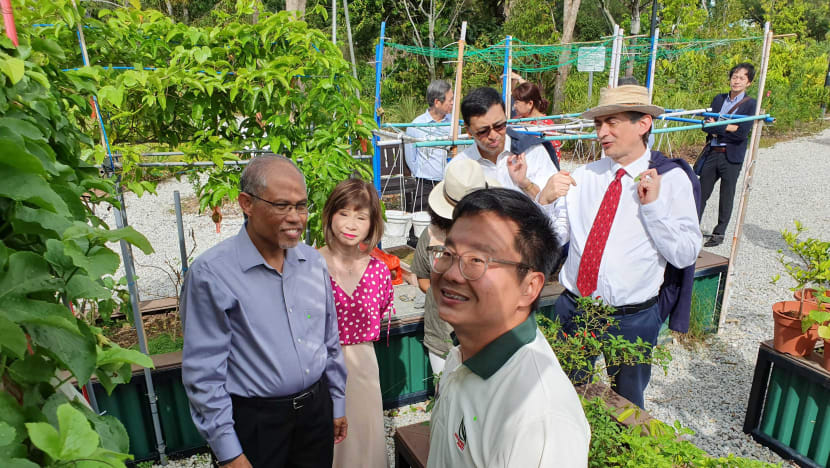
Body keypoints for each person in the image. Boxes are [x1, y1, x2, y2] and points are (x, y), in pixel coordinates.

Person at [540, 85, 702, 409]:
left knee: (627, 407)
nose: (602, 132)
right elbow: (556, 237)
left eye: (611, 122)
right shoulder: (585, 176)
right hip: (574, 308)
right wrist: (542, 202)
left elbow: (684, 254)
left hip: (631, 318)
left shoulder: (669, 181)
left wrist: (653, 208)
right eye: (598, 124)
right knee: (561, 394)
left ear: (643, 124)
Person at [181, 155, 348, 468]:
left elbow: (329, 340)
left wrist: (336, 401)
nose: (296, 217)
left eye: (301, 205)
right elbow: (203, 373)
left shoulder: (312, 263)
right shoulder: (212, 274)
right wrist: (228, 450)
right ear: (247, 203)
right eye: (282, 205)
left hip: (315, 412)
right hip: (257, 424)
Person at [426, 188, 590, 467]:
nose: (451, 273)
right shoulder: (464, 354)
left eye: (477, 260)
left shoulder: (540, 419)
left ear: (529, 287)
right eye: (448, 252)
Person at [319, 178, 393, 468]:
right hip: (320, 362)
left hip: (363, 363)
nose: (351, 224)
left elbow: (384, 305)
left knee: (365, 437)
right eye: (343, 213)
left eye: (361, 217)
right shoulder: (308, 263)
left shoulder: (378, 269)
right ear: (330, 214)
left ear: (372, 223)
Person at [411, 159, 499, 375]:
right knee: (447, 395)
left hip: (487, 334)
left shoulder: (498, 238)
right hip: (443, 334)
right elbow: (422, 278)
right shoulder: (432, 236)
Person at [448, 87, 558, 199]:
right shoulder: (458, 167)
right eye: (483, 131)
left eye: (499, 126)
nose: (493, 135)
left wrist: (526, 185)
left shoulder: (532, 152)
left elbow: (554, 205)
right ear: (469, 131)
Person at [696, 63, 757, 247]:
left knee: (726, 195)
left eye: (741, 78)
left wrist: (718, 126)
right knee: (700, 192)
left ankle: (719, 233)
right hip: (713, 151)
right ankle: (691, 227)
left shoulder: (750, 104)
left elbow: (741, 132)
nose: (736, 81)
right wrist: (726, 127)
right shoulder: (718, 99)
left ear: (749, 82)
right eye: (734, 76)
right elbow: (706, 124)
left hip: (731, 156)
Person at [405, 79, 454, 212]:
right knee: (422, 221)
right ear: (437, 102)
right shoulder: (416, 125)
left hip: (448, 183)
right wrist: (422, 174)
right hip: (425, 183)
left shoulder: (453, 124)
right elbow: (411, 158)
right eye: (450, 100)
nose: (452, 103)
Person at [511, 81, 563, 162]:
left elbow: (554, 156)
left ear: (530, 104)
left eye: (517, 102)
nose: (514, 106)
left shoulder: (546, 126)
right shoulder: (514, 121)